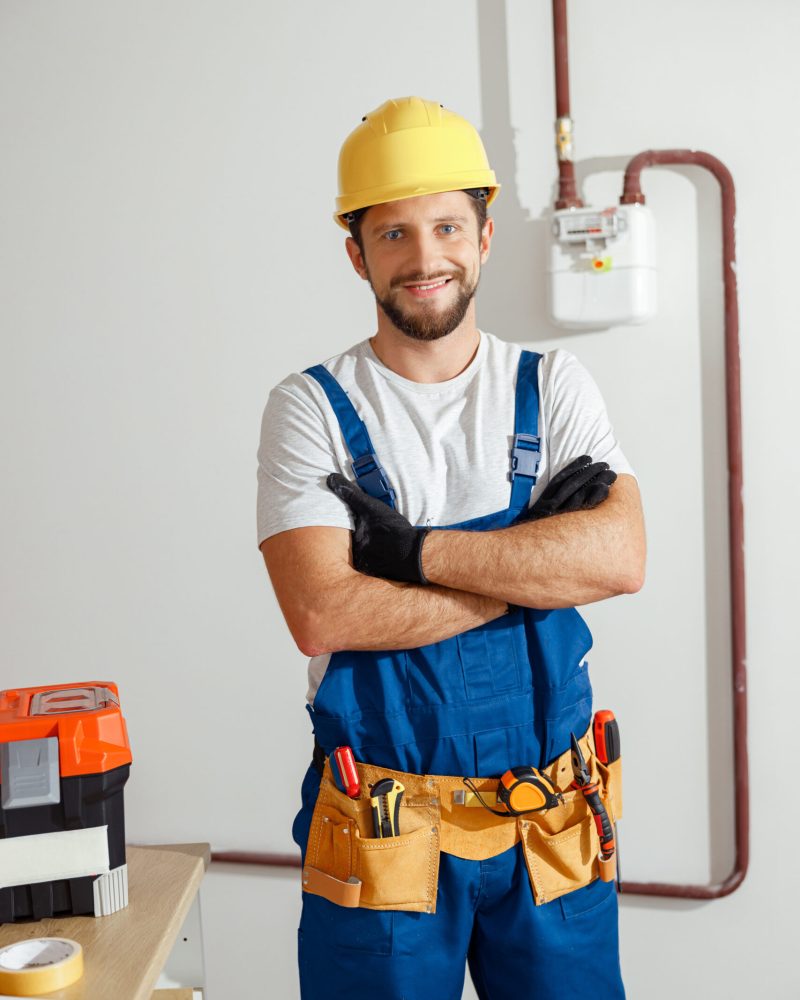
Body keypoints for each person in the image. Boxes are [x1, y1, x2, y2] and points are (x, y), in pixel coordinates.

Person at [257, 96, 646, 1000]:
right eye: (393, 235)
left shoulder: (552, 385)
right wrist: (533, 565)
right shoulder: (309, 408)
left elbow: (620, 558)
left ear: (483, 235)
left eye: (444, 227)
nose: (424, 257)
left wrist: (411, 555)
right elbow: (322, 612)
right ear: (356, 253)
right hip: (383, 826)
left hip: (553, 822)